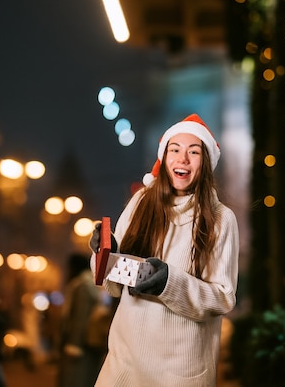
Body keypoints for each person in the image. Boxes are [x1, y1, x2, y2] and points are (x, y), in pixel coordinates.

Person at [89, 113, 240, 386]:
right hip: (124, 365)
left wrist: (168, 283)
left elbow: (222, 297)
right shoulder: (141, 202)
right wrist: (102, 253)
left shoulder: (220, 218)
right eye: (175, 150)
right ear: (164, 157)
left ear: (206, 163)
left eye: (194, 152)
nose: (182, 159)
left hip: (179, 373)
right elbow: (112, 281)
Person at [58, 253, 107, 387]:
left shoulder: (82, 286)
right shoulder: (91, 284)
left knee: (76, 379)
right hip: (89, 342)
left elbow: (80, 317)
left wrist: (74, 344)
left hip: (81, 344)